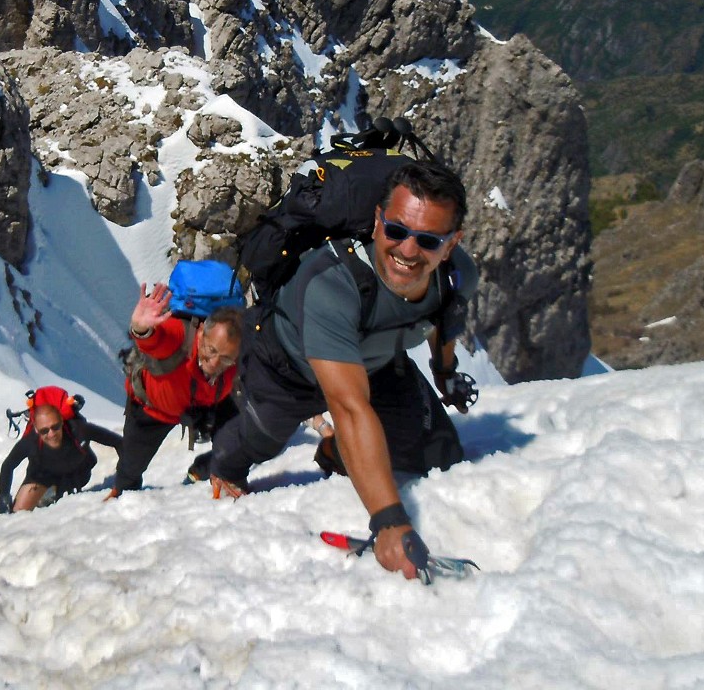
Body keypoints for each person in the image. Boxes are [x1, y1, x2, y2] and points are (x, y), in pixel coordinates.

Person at [209, 161, 479, 580]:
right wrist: (389, 521)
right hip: (288, 370)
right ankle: (222, 462)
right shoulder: (333, 281)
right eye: (397, 231)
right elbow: (348, 407)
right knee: (260, 440)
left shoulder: (456, 277)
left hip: (375, 364)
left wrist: (445, 374)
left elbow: (443, 323)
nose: (408, 250)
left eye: (428, 240)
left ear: (451, 243)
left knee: (436, 454)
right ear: (376, 222)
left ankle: (337, 452)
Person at [107, 287, 242, 497]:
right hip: (152, 410)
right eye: (211, 350)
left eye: (226, 358)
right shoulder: (180, 335)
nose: (215, 363)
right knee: (131, 465)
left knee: (236, 441)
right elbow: (156, 339)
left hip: (202, 406)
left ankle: (219, 476)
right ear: (200, 334)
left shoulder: (237, 362)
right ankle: (122, 492)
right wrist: (141, 329)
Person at [0, 404, 121, 513]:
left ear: (62, 421)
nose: (51, 434)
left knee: (48, 498)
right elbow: (8, 466)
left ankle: (58, 491)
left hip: (77, 474)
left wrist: (127, 477)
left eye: (55, 427)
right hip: (42, 477)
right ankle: (51, 492)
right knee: (18, 512)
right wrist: (4, 498)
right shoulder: (30, 442)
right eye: (44, 431)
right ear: (36, 429)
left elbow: (119, 442)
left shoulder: (78, 429)